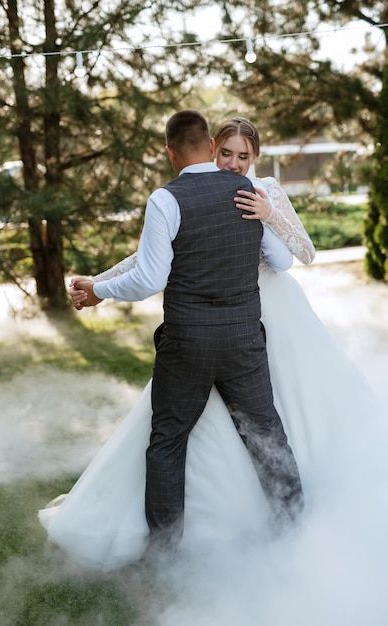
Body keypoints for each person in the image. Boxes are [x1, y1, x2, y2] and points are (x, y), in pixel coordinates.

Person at [39, 116, 381, 572]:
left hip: (234, 327)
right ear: (211, 148)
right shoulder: (225, 191)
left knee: (178, 438)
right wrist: (100, 281)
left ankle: (169, 551)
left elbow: (288, 257)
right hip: (244, 332)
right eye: (227, 153)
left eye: (244, 156)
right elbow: (148, 258)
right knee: (261, 430)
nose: (235, 163)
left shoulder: (232, 195)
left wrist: (270, 215)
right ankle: (285, 525)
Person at [67, 109, 304, 548]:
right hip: (243, 341)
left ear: (169, 151)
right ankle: (293, 530)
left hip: (187, 343)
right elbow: (282, 261)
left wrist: (100, 291)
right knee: (268, 436)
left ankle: (165, 554)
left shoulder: (166, 199)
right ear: (212, 147)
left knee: (168, 443)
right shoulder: (248, 190)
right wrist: (268, 217)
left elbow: (150, 277)